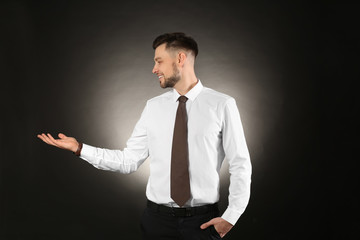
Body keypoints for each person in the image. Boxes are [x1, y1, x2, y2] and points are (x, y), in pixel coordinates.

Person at [37, 32, 252, 239]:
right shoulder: (153, 107)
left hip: (203, 223)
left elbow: (239, 163)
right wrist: (79, 148)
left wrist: (231, 217)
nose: (154, 69)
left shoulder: (222, 104)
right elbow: (128, 161)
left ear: (180, 58)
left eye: (159, 61)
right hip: (157, 222)